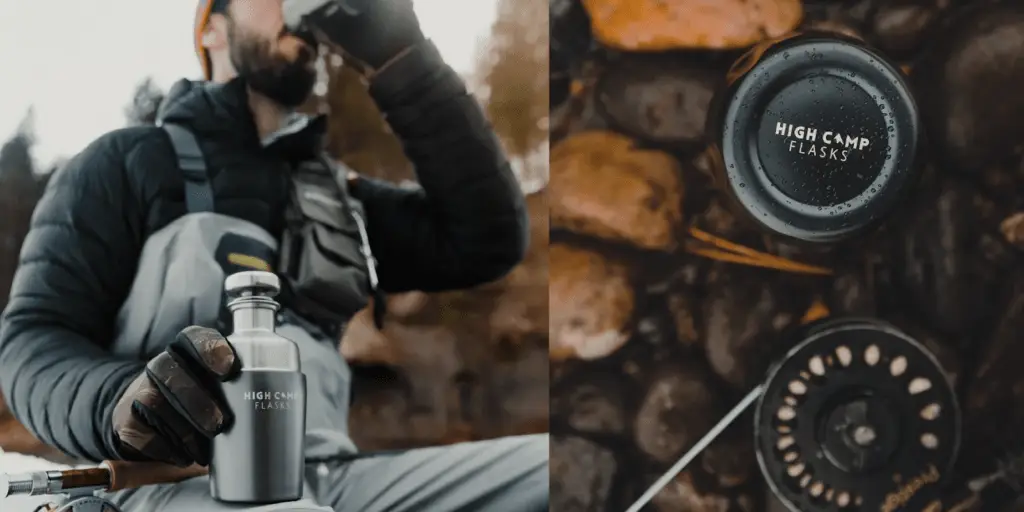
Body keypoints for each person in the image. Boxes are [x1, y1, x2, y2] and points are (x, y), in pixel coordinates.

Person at [0, 0, 548, 510]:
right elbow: (33, 337)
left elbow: (489, 237)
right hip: (171, 483)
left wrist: (400, 53)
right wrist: (117, 402)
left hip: (333, 476)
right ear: (212, 29)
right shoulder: (124, 163)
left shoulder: (339, 197)